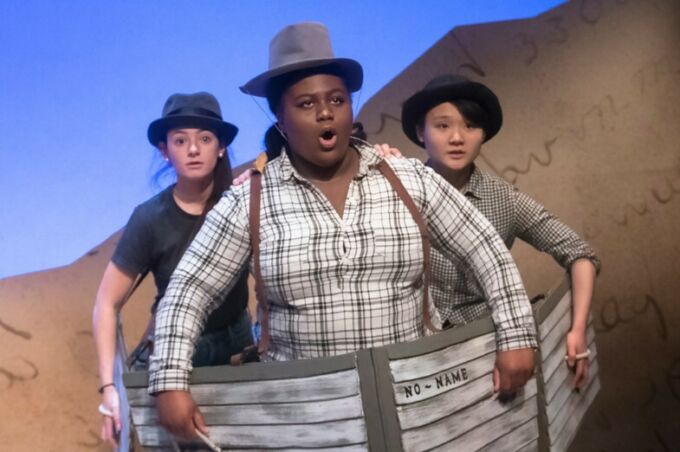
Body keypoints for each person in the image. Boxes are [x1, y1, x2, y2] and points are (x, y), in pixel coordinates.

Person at [149, 22, 537, 441]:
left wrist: (516, 335)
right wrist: (170, 379)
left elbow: (485, 250)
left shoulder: (407, 179)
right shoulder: (251, 201)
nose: (325, 112)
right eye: (305, 103)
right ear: (280, 119)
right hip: (311, 419)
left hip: (415, 406)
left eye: (337, 99)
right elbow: (189, 291)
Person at [400, 74, 600, 389]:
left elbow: (580, 253)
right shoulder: (396, 193)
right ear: (420, 133)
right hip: (417, 360)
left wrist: (577, 330)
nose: (457, 138)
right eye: (442, 126)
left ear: (483, 135)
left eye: (469, 126)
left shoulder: (503, 198)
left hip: (492, 355)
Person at [91, 92, 252, 447]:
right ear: (165, 150)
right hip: (172, 349)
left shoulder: (243, 201)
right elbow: (106, 304)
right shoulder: (150, 218)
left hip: (236, 340)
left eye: (205, 139)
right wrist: (108, 390)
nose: (193, 149)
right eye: (181, 141)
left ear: (221, 147)